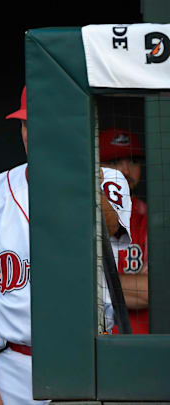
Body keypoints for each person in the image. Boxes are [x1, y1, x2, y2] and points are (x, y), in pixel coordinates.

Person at [0, 86, 132, 405]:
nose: (31, 134)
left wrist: (78, 169)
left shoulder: (109, 180)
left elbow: (111, 226)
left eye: (43, 124)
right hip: (12, 363)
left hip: (86, 361)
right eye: (25, 124)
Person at [100, 128, 149, 333]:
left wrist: (93, 282)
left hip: (140, 345)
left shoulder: (152, 219)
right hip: (89, 347)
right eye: (114, 162)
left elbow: (153, 291)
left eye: (133, 160)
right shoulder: (77, 219)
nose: (126, 171)